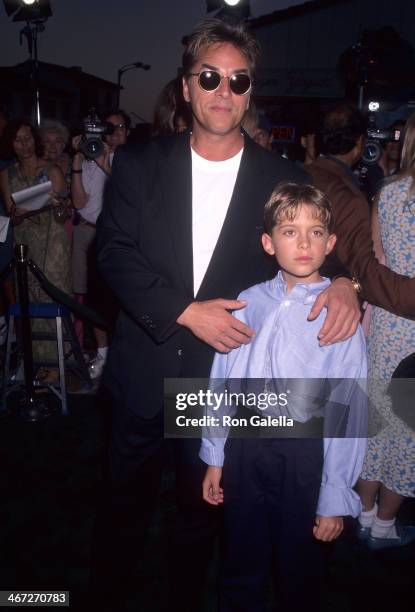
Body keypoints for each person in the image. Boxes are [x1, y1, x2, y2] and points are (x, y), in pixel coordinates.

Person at [94, 18, 360, 612]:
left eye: (238, 81)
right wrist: (185, 312)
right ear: (186, 87)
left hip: (216, 385)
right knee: (121, 513)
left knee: (199, 520)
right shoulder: (140, 164)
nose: (223, 91)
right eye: (209, 77)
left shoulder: (281, 177)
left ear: (249, 93)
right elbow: (111, 250)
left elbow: (317, 244)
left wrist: (346, 283)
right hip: (144, 365)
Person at [200, 183, 367, 612]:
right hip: (246, 448)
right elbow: (224, 381)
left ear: (330, 243)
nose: (304, 243)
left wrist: (334, 492)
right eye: (290, 231)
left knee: (301, 564)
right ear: (268, 242)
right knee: (240, 554)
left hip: (304, 454)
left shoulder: (338, 310)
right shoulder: (248, 301)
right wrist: (215, 455)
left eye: (315, 232)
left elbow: (347, 405)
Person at [356, 113, 415, 550]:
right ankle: (383, 527)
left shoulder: (389, 192)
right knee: (409, 432)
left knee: (377, 420)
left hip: (387, 323)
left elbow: (376, 261)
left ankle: (363, 513)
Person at [309, 104, 415, 317]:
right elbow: (362, 269)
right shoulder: (347, 195)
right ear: (359, 143)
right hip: (331, 306)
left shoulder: (303, 174)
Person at [0, 120, 70, 377]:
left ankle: (59, 361)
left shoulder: (51, 169)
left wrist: (46, 204)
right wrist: (24, 210)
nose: (25, 144)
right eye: (18, 140)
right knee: (29, 297)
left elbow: (63, 204)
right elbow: (12, 213)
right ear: (11, 144)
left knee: (53, 294)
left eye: (28, 137)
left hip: (53, 241)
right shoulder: (7, 174)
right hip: (25, 241)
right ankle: (38, 361)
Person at [71, 109, 130, 377]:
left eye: (120, 128)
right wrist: (79, 158)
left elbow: (125, 190)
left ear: (127, 132)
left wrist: (105, 160)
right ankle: (101, 355)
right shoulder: (89, 160)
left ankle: (120, 356)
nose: (114, 132)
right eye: (110, 127)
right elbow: (79, 203)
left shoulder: (132, 162)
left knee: (118, 298)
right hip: (88, 232)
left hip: (118, 238)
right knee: (92, 297)